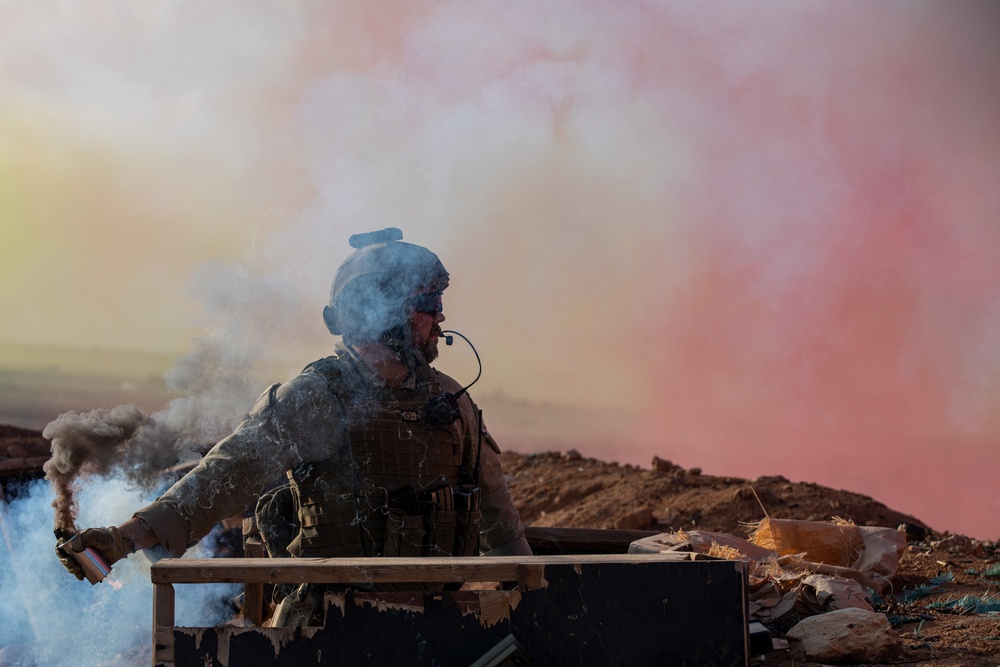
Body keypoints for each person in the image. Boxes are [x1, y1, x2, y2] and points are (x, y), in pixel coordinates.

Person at [57, 227, 531, 626]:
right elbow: (223, 478)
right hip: (329, 629)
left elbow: (498, 520)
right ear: (382, 309)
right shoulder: (318, 397)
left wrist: (534, 600)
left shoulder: (451, 401)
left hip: (438, 627)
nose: (441, 316)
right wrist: (124, 539)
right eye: (428, 301)